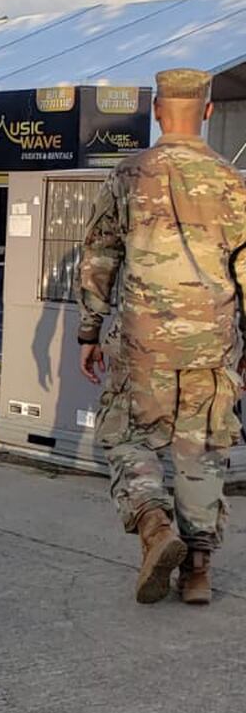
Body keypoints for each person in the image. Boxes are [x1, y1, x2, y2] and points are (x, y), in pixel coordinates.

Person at [78, 68, 246, 605]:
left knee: (126, 437)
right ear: (209, 110)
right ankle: (197, 571)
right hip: (212, 345)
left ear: (155, 110)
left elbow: (100, 255)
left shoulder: (128, 175)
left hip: (141, 342)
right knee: (203, 448)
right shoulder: (232, 182)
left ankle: (154, 525)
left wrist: (89, 328)